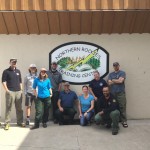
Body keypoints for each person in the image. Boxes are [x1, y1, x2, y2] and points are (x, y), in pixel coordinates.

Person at [2, 58, 25, 130]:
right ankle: (7, 123)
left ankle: (20, 122)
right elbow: (3, 81)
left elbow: (20, 81)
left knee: (19, 108)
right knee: (8, 108)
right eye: (12, 62)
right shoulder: (6, 71)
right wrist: (7, 90)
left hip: (18, 92)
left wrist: (21, 90)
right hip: (10, 92)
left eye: (15, 62)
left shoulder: (18, 71)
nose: (14, 63)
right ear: (10, 63)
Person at [108, 62, 128, 128]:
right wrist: (117, 80)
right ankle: (115, 120)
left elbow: (121, 81)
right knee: (113, 107)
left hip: (120, 93)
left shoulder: (122, 73)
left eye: (116, 66)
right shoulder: (111, 74)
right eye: (114, 66)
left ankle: (124, 121)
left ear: (119, 66)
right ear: (113, 66)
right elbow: (109, 83)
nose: (115, 67)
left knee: (122, 106)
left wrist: (113, 80)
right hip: (113, 94)